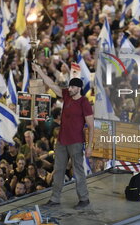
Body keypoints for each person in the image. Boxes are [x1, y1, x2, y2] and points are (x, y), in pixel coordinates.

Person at [32, 63, 94, 210]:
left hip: (76, 142)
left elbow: (91, 125)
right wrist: (40, 70)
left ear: (78, 88)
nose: (69, 89)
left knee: (78, 171)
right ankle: (55, 198)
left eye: (72, 87)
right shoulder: (66, 95)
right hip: (61, 141)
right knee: (58, 170)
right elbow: (52, 84)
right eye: (69, 87)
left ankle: (84, 199)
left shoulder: (84, 102)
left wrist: (90, 146)